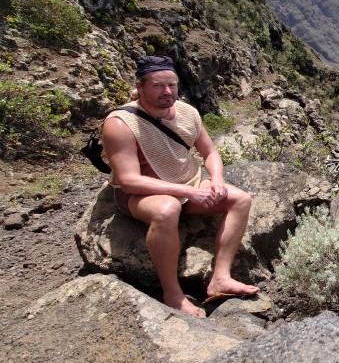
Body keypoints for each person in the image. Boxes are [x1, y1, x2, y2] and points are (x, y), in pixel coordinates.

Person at [102, 55, 259, 317]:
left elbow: (210, 152)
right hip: (143, 193)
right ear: (140, 87)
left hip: (189, 181)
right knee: (167, 209)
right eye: (157, 86)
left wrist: (216, 179)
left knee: (240, 199)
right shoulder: (120, 124)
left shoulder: (187, 112)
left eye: (172, 85)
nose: (167, 91)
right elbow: (128, 180)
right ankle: (173, 294)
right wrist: (187, 192)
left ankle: (221, 278)